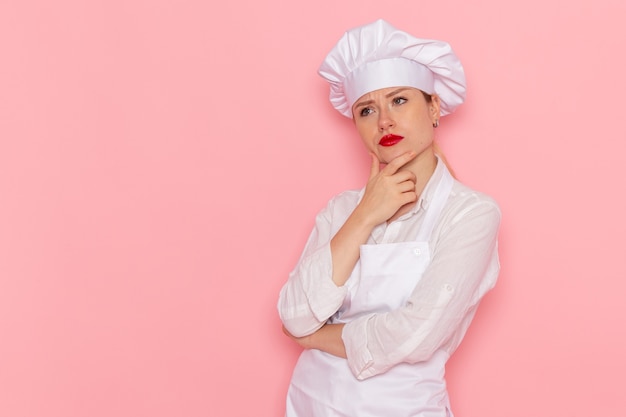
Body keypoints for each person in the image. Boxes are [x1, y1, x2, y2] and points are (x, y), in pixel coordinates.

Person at [277, 19, 501, 417]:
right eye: (367, 109)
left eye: (399, 101)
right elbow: (294, 313)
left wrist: (314, 336)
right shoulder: (342, 210)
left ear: (433, 107)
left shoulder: (470, 213)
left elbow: (415, 335)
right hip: (310, 403)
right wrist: (366, 214)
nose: (384, 121)